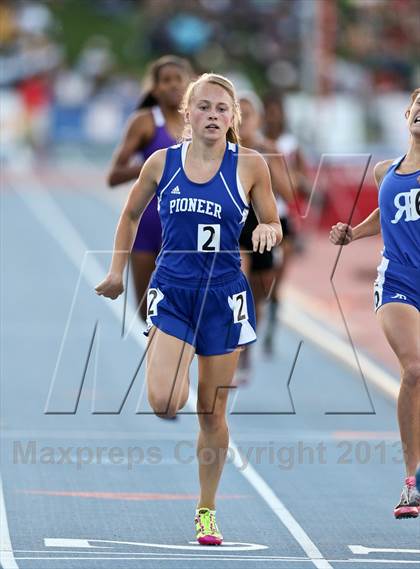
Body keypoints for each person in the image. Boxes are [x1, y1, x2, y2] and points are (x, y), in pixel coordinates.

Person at [95, 73, 282, 544]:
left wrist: (265, 233)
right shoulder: (162, 163)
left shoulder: (251, 165)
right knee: (163, 402)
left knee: (210, 414)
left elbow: (273, 221)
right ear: (188, 113)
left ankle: (206, 510)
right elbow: (131, 213)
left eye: (222, 108)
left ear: (233, 117)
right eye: (204, 107)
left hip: (223, 298)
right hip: (174, 291)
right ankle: (167, 354)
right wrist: (118, 272)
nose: (213, 116)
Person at [329, 88, 420, 519]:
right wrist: (353, 232)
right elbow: (384, 217)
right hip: (399, 280)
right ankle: (411, 480)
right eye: (419, 108)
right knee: (416, 368)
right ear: (407, 115)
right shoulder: (388, 171)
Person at [107, 55, 193, 320]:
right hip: (147, 224)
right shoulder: (145, 122)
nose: (173, 85)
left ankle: (175, 359)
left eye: (179, 79)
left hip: (184, 226)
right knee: (146, 311)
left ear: (190, 85)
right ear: (155, 88)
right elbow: (114, 176)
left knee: (185, 309)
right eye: (166, 81)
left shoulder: (200, 124)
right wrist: (153, 165)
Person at [235, 91, 285, 382]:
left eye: (249, 115)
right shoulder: (224, 149)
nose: (243, 123)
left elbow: (288, 193)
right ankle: (237, 351)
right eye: (238, 115)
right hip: (235, 227)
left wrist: (269, 158)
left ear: (258, 120)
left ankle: (248, 347)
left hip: (264, 226)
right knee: (238, 285)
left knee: (258, 296)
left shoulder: (269, 151)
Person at [263, 92, 310, 353]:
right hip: (256, 217)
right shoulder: (254, 141)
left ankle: (271, 322)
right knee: (261, 276)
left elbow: (305, 183)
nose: (272, 116)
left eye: (276, 110)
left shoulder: (291, 145)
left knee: (277, 279)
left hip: (282, 217)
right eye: (268, 110)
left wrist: (296, 180)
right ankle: (255, 316)